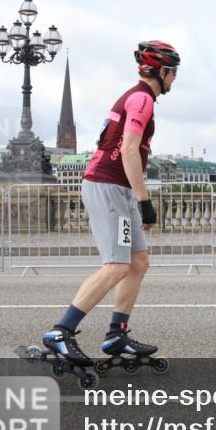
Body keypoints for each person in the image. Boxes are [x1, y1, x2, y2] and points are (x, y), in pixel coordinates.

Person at [41, 40, 180, 369]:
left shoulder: (139, 98)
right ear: (160, 71)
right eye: (173, 72)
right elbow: (130, 150)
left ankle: (117, 334)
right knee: (117, 265)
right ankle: (61, 332)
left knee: (138, 261)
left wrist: (136, 199)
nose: (174, 79)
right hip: (108, 186)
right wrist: (145, 201)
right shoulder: (143, 99)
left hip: (119, 189)